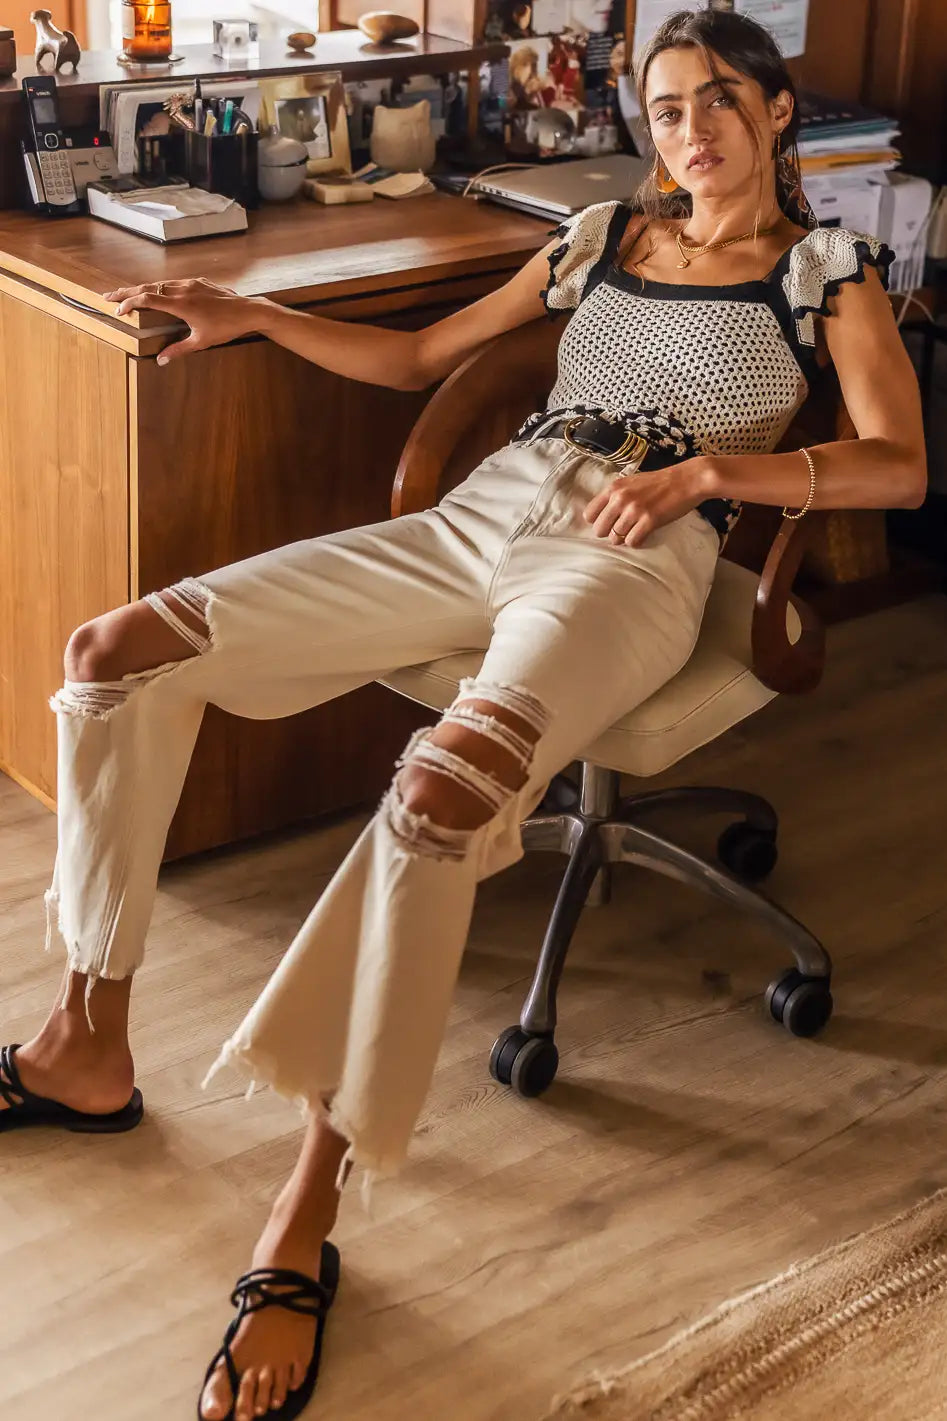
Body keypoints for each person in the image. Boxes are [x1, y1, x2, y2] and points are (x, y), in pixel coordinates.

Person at [0, 9, 925, 1421]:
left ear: (779, 110)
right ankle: (86, 1042)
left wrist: (707, 478)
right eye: (668, 107)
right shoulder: (604, 238)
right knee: (118, 650)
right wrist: (257, 315)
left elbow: (898, 465)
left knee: (437, 797)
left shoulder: (824, 273)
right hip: (485, 515)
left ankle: (308, 1203)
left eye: (720, 100)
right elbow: (424, 356)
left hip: (632, 557)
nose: (692, 131)